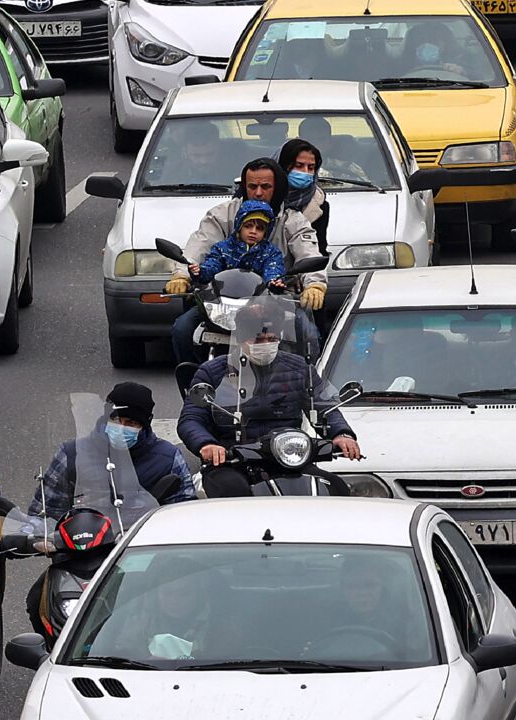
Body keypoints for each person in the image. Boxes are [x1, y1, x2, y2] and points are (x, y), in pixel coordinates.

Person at [25, 383, 196, 636]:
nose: (122, 427)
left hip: (144, 559)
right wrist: (36, 536)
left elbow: (185, 513)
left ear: (145, 425)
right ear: (106, 416)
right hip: (81, 557)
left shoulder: (168, 457)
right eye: (117, 419)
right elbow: (45, 508)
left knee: (183, 605)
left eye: (132, 423)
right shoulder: (71, 453)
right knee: (39, 599)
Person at [176, 304, 362, 498]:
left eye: (272, 339)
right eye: (258, 339)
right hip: (232, 460)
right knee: (232, 493)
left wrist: (341, 434)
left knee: (335, 488)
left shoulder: (299, 368)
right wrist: (206, 444)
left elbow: (325, 405)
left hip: (288, 456)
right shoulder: (212, 372)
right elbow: (191, 418)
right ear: (240, 340)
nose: (266, 344)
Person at [165, 157, 327, 364]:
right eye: (252, 186)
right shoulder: (222, 214)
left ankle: (308, 386)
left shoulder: (293, 220)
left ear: (278, 188)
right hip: (222, 302)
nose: (258, 192)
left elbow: (309, 253)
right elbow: (199, 246)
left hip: (275, 301)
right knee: (182, 329)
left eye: (266, 186)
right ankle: (194, 387)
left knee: (308, 333)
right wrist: (182, 274)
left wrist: (314, 284)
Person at [188, 199, 285, 287]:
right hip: (223, 298)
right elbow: (213, 266)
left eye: (259, 228)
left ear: (265, 233)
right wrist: (200, 271)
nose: (253, 231)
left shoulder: (271, 253)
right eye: (248, 226)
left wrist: (274, 282)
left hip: (257, 301)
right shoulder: (222, 249)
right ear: (239, 226)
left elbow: (273, 269)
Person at [278, 138, 330, 253]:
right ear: (284, 166)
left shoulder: (319, 204)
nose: (305, 172)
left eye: (311, 167)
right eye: (299, 165)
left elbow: (319, 249)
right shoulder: (261, 194)